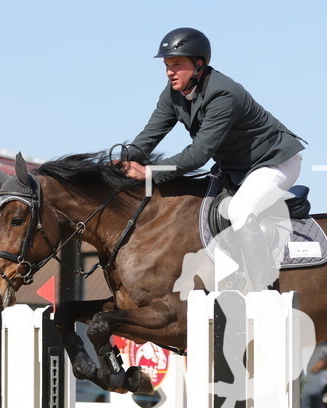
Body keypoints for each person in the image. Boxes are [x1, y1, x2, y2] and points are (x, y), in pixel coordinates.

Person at [122, 27, 305, 292]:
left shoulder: (223, 94)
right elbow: (150, 135)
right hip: (234, 169)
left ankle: (263, 292)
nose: (169, 72)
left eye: (176, 64)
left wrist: (149, 173)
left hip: (273, 162)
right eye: (166, 65)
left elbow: (198, 154)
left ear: (199, 64)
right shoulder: (173, 92)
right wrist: (121, 162)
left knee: (241, 211)